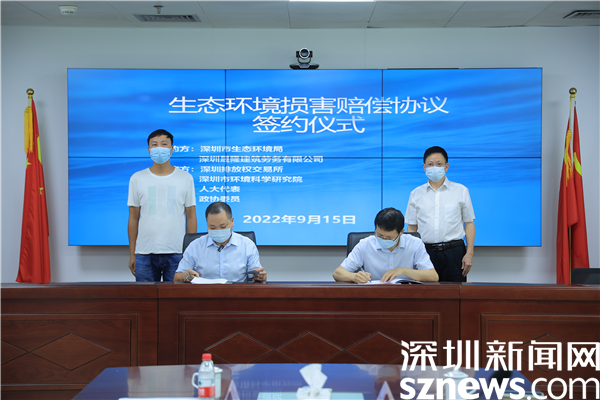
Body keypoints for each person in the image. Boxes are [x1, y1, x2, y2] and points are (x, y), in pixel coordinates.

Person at [127, 129, 197, 282]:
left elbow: (191, 216)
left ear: (172, 149)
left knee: (175, 296)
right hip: (144, 253)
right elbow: (133, 218)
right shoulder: (137, 178)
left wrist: (190, 254)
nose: (159, 148)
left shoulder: (185, 178)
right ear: (149, 150)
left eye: (164, 144)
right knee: (145, 296)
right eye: (154, 144)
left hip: (177, 252)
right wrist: (132, 254)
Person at [405, 146, 475, 282]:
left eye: (438, 164)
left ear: (446, 166)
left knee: (454, 292)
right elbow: (412, 227)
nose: (434, 168)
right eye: (430, 164)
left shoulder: (461, 191)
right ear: (424, 167)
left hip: (454, 252)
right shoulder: (416, 194)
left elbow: (469, 223)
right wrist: (411, 256)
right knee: (425, 293)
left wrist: (469, 253)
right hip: (425, 252)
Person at [333, 208, 438, 283]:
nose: (383, 239)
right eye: (379, 235)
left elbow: (433, 276)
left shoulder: (415, 243)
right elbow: (337, 273)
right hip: (375, 295)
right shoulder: (365, 244)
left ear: (401, 232)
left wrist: (403, 270)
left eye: (389, 237)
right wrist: (354, 277)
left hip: (407, 296)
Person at [174, 202, 267, 283]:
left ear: (232, 221)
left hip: (237, 294)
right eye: (212, 227)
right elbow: (177, 278)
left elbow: (258, 275)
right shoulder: (195, 246)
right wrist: (185, 276)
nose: (218, 230)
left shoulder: (247, 245)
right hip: (205, 294)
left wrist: (259, 276)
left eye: (223, 227)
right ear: (207, 224)